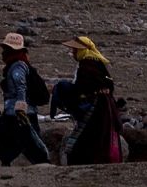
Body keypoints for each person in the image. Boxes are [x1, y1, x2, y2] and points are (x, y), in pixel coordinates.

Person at [51, 35, 123, 165]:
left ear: (82, 50)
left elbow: (82, 88)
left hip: (95, 107)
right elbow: (109, 85)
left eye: (75, 50)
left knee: (89, 135)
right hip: (104, 105)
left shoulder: (86, 66)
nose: (73, 53)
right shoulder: (97, 63)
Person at [0, 32, 50, 166]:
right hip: (21, 111)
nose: (3, 53)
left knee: (25, 138)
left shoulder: (17, 66)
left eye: (6, 50)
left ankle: (39, 162)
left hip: (18, 112)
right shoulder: (21, 64)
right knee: (22, 137)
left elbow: (21, 86)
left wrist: (20, 108)